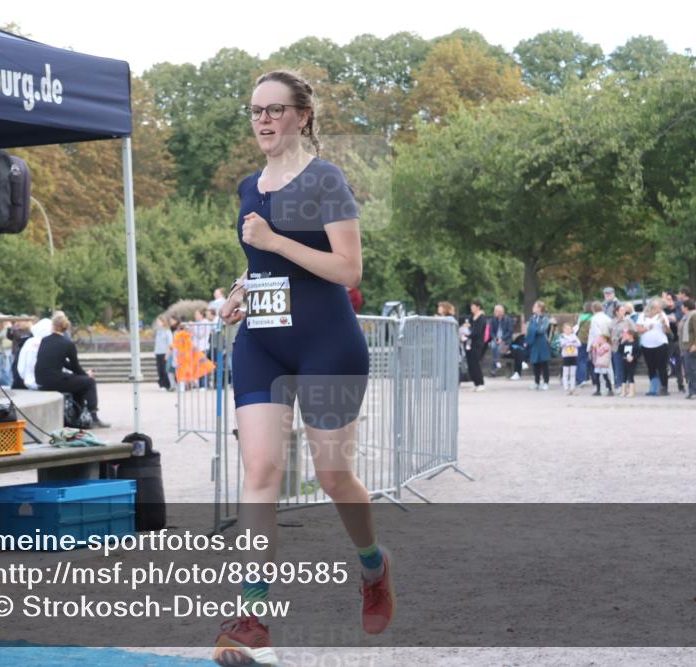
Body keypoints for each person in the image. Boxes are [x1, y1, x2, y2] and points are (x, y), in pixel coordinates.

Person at [214, 69, 392, 665]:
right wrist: (243, 286)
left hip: (327, 345)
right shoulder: (248, 186)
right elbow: (267, 266)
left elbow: (348, 271)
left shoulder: (326, 180)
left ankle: (373, 566)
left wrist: (272, 241)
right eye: (255, 110)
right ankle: (253, 618)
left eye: (275, 109)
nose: (263, 119)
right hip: (262, 341)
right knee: (260, 472)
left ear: (302, 116)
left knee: (333, 477)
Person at [34, 312, 109, 428]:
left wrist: (81, 375)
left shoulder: (45, 340)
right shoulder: (67, 344)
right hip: (55, 380)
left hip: (41, 380)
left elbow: (59, 361)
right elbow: (75, 367)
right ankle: (93, 417)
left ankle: (75, 418)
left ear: (53, 326)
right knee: (89, 382)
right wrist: (87, 375)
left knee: (78, 384)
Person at [637, 299, 670, 397]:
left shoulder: (662, 315)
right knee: (651, 367)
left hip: (661, 344)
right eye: (656, 308)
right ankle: (653, 387)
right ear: (651, 307)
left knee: (662, 366)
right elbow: (638, 329)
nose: (658, 310)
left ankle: (664, 387)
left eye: (659, 308)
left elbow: (667, 331)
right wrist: (647, 328)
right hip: (646, 345)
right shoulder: (642, 316)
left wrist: (664, 323)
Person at [678, 298, 696, 399]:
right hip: (686, 347)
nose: (681, 307)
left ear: (686, 307)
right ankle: (692, 391)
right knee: (689, 370)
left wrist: (695, 345)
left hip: (693, 347)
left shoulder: (694, 316)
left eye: (682, 305)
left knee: (692, 370)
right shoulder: (686, 317)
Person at [587, 302, 613, 394]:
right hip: (608, 344)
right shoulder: (607, 318)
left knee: (598, 368)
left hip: (598, 346)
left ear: (593, 309)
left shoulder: (594, 319)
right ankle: (610, 387)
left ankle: (600, 388)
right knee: (608, 367)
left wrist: (593, 345)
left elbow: (595, 333)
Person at [526, 301, 552, 390]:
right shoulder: (532, 318)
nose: (533, 308)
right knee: (535, 363)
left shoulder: (545, 318)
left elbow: (542, 330)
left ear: (540, 308)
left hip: (542, 342)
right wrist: (533, 329)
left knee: (544, 362)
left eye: (535, 306)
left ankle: (546, 382)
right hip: (534, 341)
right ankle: (536, 382)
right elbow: (529, 329)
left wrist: (533, 329)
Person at [609, 305, 633, 389]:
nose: (624, 311)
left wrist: (628, 336)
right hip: (616, 347)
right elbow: (609, 333)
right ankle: (620, 385)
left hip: (627, 346)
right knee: (618, 367)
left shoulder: (628, 321)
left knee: (627, 366)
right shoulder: (612, 322)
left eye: (624, 310)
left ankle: (630, 385)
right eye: (622, 310)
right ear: (617, 312)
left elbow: (635, 331)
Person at [466, 301, 487, 391]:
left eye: (473, 306)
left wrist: (468, 335)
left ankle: (481, 383)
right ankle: (475, 383)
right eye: (471, 306)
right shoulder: (471, 317)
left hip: (477, 343)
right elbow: (468, 326)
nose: (472, 308)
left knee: (475, 363)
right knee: (470, 363)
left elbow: (478, 331)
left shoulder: (482, 317)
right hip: (469, 343)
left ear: (478, 307)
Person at [489, 305, 513, 378]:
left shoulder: (507, 319)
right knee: (493, 346)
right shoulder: (493, 320)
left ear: (501, 312)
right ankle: (497, 364)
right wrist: (495, 339)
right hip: (496, 339)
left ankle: (494, 368)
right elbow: (491, 332)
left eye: (496, 311)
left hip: (505, 341)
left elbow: (509, 332)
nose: (494, 312)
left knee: (499, 348)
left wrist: (501, 339)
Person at [8, 319, 33, 389]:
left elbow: (20, 337)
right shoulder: (16, 331)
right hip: (16, 351)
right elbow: (9, 336)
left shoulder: (30, 332)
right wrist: (11, 328)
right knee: (14, 367)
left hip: (25, 352)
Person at [558, 322, 581, 395]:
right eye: (566, 329)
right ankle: (566, 388)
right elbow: (562, 344)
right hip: (566, 356)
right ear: (563, 330)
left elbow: (579, 344)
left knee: (573, 373)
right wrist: (569, 343)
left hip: (573, 356)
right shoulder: (562, 336)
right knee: (566, 373)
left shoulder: (574, 336)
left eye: (569, 329)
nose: (568, 330)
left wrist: (571, 343)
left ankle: (572, 387)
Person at [617, 328, 640, 397]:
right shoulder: (625, 343)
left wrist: (633, 357)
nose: (625, 336)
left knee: (631, 376)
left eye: (626, 335)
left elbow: (638, 353)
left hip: (632, 362)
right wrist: (621, 343)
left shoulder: (635, 344)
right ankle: (624, 391)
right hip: (624, 361)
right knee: (624, 375)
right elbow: (620, 351)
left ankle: (632, 391)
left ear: (631, 335)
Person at [574, 303, 592, 386]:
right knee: (592, 360)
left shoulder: (581, 316)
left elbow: (577, 327)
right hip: (591, 340)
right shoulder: (594, 317)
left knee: (581, 360)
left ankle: (581, 379)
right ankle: (594, 379)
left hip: (581, 340)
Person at [153, 316, 173, 391]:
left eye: (159, 321)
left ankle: (166, 385)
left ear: (163, 322)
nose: (157, 323)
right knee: (160, 369)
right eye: (157, 321)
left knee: (165, 369)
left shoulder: (167, 331)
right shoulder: (158, 331)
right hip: (158, 352)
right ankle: (161, 384)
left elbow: (170, 343)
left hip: (165, 353)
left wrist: (168, 354)